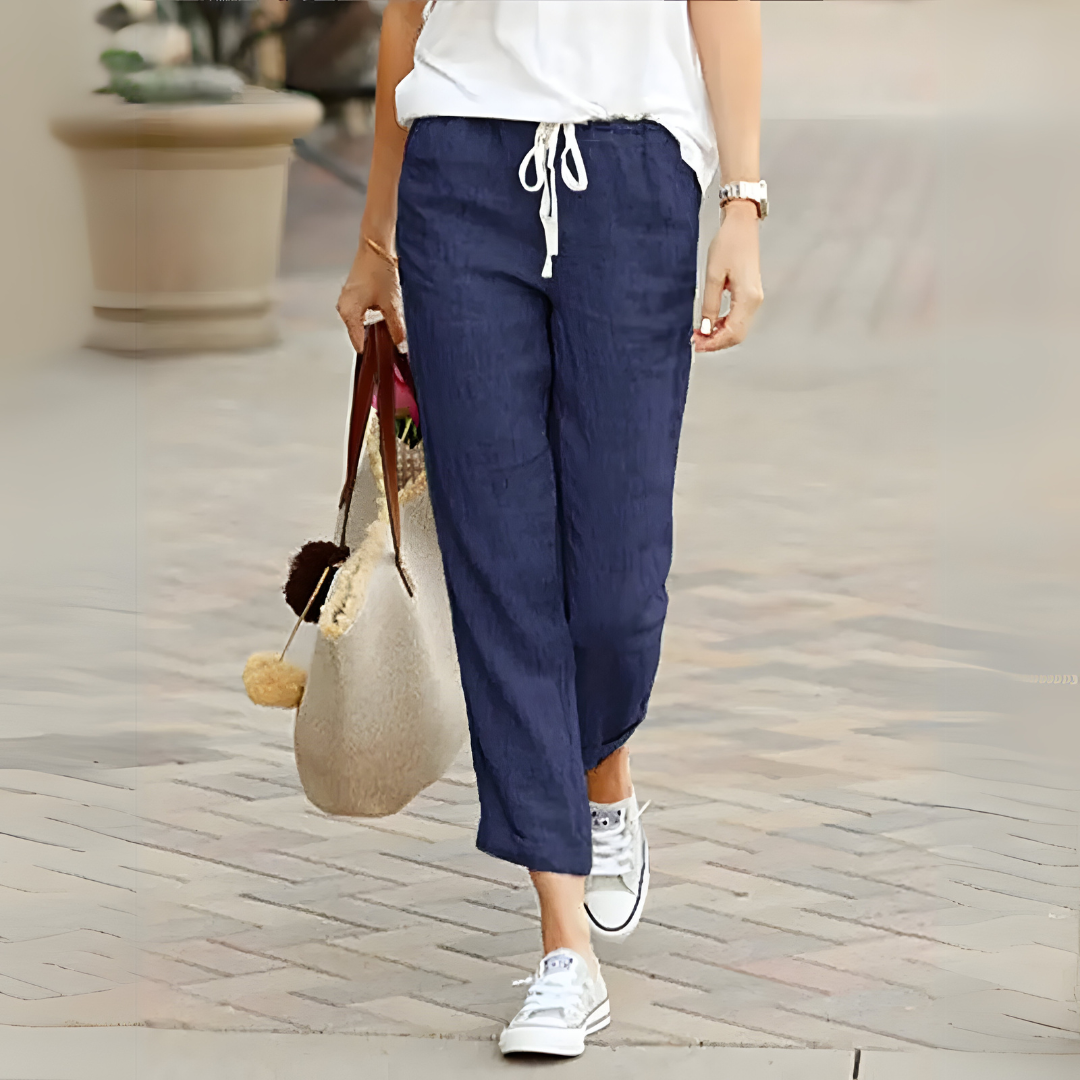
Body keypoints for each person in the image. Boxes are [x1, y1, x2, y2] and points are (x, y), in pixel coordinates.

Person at [337, 0, 764, 1058]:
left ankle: (602, 765)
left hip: (631, 173)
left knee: (617, 591)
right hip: (459, 172)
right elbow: (405, 19)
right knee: (500, 561)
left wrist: (743, 200)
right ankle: (563, 943)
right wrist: (375, 240)